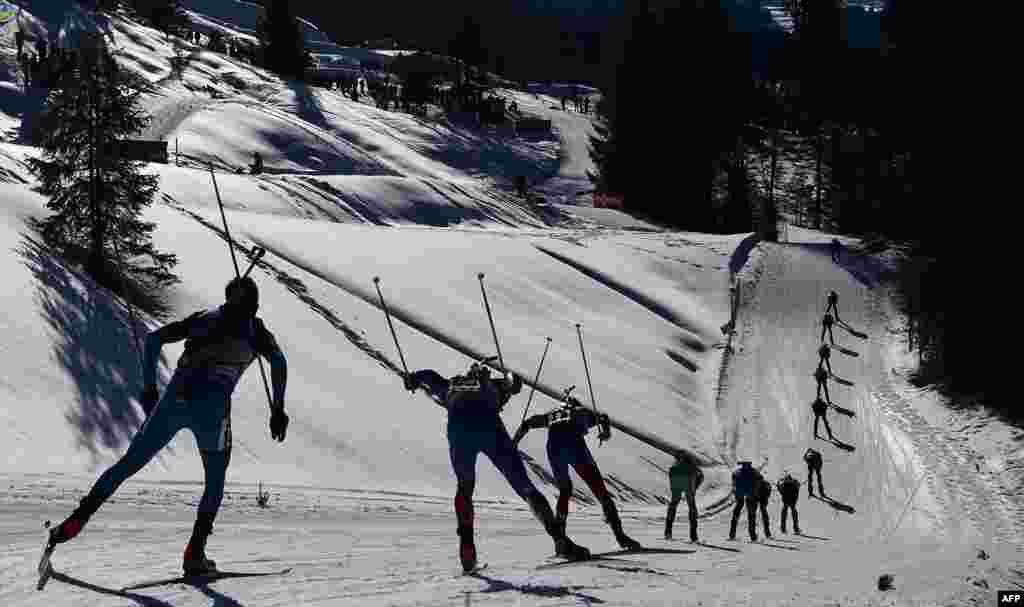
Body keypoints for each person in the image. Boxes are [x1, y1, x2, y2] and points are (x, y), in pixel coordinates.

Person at [47, 277, 289, 575]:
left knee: (127, 465)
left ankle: (76, 521)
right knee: (215, 480)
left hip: (172, 402)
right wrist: (277, 409)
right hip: (212, 413)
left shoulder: (203, 318)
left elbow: (153, 340)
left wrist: (149, 388)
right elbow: (279, 363)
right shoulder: (257, 331)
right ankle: (194, 554)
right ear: (254, 305)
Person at [404, 359, 590, 573]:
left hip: (459, 430)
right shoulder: (492, 384)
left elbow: (428, 375)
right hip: (489, 427)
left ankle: (467, 550)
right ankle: (561, 542)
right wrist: (509, 386)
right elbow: (514, 381)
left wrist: (413, 379)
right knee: (525, 487)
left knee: (465, 487)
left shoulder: (449, 385)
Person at [512, 388, 641, 551]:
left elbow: (528, 423)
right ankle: (620, 537)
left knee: (565, 491)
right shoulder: (582, 412)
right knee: (601, 492)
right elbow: (603, 417)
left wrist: (514, 442)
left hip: (554, 449)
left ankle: (560, 540)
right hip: (575, 447)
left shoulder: (552, 415)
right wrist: (606, 432)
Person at [665, 453, 703, 542]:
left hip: (677, 488)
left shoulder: (674, 467)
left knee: (672, 507)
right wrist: (695, 487)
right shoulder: (692, 467)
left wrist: (673, 488)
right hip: (689, 488)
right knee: (692, 508)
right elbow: (701, 476)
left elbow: (671, 476)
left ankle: (668, 532)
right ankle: (693, 536)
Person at [729, 461, 760, 542]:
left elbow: (733, 484)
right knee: (751, 516)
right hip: (751, 495)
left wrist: (736, 493)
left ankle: (732, 535)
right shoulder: (754, 472)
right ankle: (753, 537)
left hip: (740, 496)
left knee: (736, 514)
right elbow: (759, 482)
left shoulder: (736, 472)